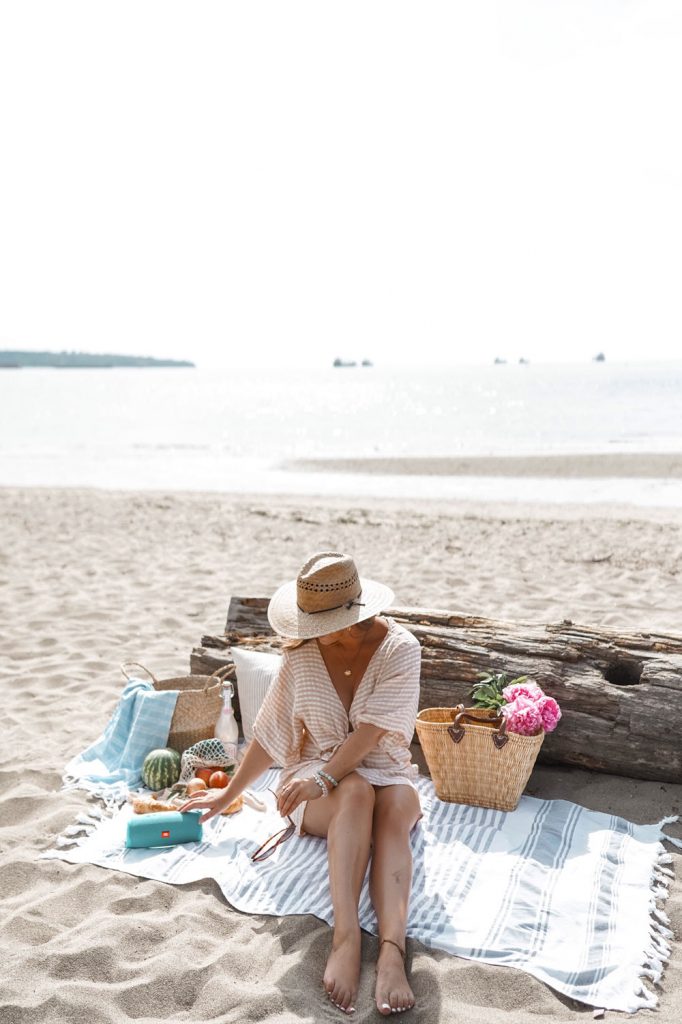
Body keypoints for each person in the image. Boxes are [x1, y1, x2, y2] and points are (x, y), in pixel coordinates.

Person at [180, 552, 422, 1016]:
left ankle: (393, 951)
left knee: (391, 812)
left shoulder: (400, 649)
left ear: (352, 614)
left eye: (319, 622)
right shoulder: (302, 654)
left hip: (385, 768)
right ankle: (345, 937)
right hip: (314, 774)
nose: (306, 631)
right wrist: (229, 793)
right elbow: (270, 735)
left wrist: (325, 779)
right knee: (354, 791)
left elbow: (371, 732)